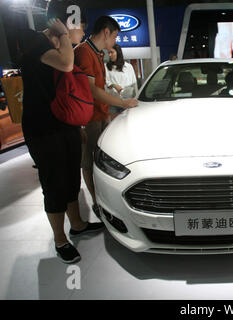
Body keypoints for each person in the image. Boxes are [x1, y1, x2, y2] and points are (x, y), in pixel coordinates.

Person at [18, 0, 103, 264]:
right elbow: (67, 64)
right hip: (43, 128)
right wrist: (66, 35)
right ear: (67, 25)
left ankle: (77, 223)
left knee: (70, 178)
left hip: (64, 125)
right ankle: (60, 239)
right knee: (53, 183)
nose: (81, 37)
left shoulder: (58, 45)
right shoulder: (36, 43)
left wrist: (76, 128)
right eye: (80, 31)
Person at [74, 16, 138, 217]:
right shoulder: (84, 53)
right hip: (89, 118)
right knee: (89, 162)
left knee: (101, 161)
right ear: (106, 32)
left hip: (101, 115)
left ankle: (101, 199)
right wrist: (123, 103)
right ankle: (96, 202)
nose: (115, 41)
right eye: (115, 36)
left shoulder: (95, 53)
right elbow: (93, 90)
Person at [105, 44, 138, 118]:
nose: (110, 55)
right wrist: (113, 85)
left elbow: (134, 83)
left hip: (128, 102)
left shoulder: (128, 67)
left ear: (118, 53)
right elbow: (105, 81)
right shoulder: (106, 67)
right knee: (114, 125)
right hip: (113, 102)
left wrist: (136, 98)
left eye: (112, 52)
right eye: (108, 53)